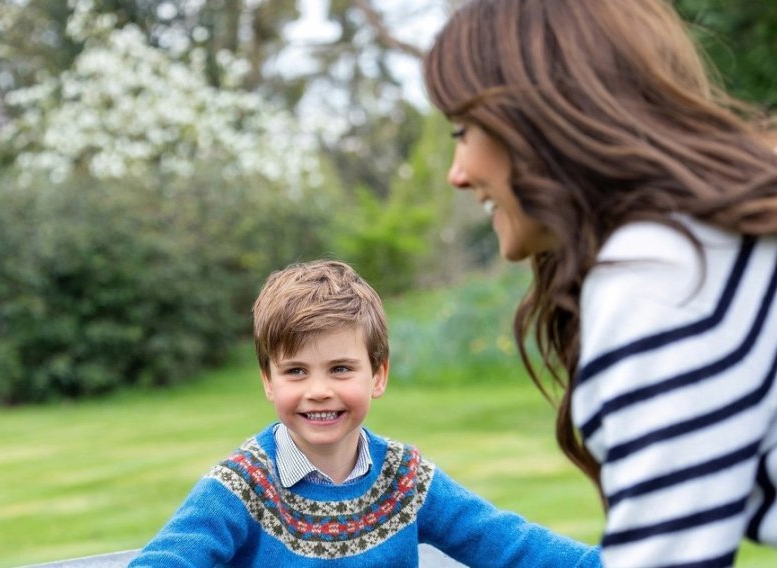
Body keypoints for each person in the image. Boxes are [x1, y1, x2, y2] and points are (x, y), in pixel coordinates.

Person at [423, 0, 777, 566]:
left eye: (464, 131)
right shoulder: (712, 245)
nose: (457, 173)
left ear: (536, 122)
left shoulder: (661, 277)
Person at [129, 259, 600, 567]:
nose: (318, 391)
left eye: (340, 368)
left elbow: (508, 544)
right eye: (295, 371)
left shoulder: (406, 479)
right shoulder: (242, 485)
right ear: (267, 381)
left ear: (378, 375)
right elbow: (167, 559)